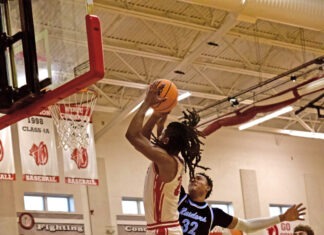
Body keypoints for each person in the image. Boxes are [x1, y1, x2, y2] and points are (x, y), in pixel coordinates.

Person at [125, 81, 205, 235]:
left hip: (164, 230)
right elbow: (144, 137)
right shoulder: (169, 159)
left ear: (166, 140)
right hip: (163, 229)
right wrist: (156, 115)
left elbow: (133, 136)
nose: (159, 134)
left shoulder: (166, 160)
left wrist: (147, 103)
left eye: (162, 134)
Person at [178, 172, 307, 235]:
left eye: (199, 178)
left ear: (208, 187)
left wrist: (282, 217)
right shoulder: (179, 197)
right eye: (192, 178)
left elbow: (248, 225)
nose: (193, 179)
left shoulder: (214, 214)